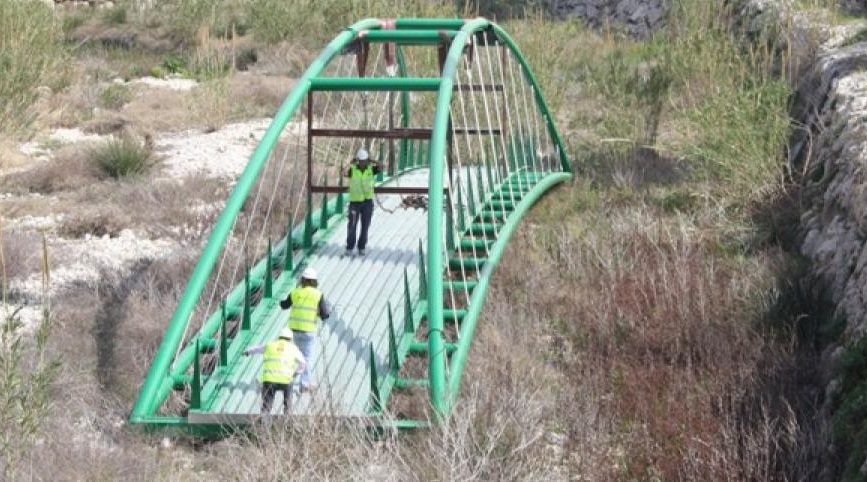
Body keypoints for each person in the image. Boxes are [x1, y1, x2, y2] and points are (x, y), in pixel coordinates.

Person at [279, 267, 330, 393]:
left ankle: (285, 379)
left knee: (294, 357)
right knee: (307, 358)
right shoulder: (318, 295)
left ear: (302, 280)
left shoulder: (295, 292)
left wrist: (279, 301)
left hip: (294, 332)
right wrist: (320, 314)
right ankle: (304, 385)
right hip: (308, 332)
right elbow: (325, 314)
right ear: (314, 281)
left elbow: (284, 305)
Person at [243, 328, 305, 414]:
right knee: (288, 405)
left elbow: (257, 349)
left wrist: (247, 352)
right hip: (286, 380)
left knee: (266, 407)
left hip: (269, 380)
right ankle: (287, 421)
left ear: (279, 337)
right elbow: (303, 364)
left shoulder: (270, 345)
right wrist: (295, 373)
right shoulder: (293, 348)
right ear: (290, 339)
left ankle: (264, 425)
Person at [344, 147, 381, 257]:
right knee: (352, 226)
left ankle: (361, 247)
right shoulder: (353, 170)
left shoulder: (371, 169)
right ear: (358, 160)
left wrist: (372, 160)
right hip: (355, 203)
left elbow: (382, 166)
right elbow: (343, 173)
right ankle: (350, 247)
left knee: (365, 226)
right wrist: (349, 163)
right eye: (361, 161)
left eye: (365, 161)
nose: (363, 163)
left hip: (367, 202)